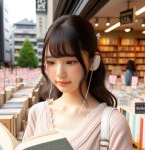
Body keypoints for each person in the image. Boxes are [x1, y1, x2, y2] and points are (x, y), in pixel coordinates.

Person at [23, 15, 132, 149]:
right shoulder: (37, 113)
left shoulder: (113, 124)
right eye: (51, 62)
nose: (59, 73)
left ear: (93, 61)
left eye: (70, 62)